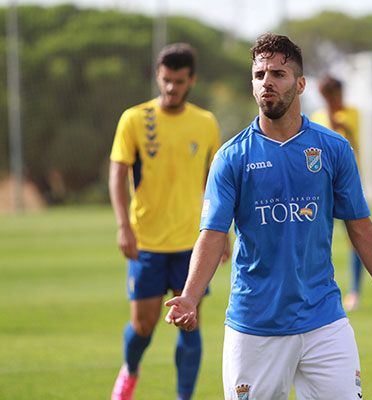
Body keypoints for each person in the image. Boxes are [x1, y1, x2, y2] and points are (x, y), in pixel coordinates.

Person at [164, 33, 372, 400]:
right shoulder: (231, 157)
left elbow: (360, 226)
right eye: (259, 75)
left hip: (324, 321)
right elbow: (211, 234)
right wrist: (190, 297)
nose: (266, 82)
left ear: (300, 84)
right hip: (255, 325)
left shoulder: (333, 149)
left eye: (278, 74)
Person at [109, 43, 228, 400]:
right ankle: (130, 371)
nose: (171, 88)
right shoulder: (134, 119)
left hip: (192, 244)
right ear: (158, 78)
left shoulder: (205, 123)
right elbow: (117, 174)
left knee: (189, 324)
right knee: (143, 326)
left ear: (191, 80)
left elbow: (215, 181)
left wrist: (223, 233)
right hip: (146, 242)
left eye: (179, 81)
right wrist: (122, 225)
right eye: (166, 80)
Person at [311, 75, 364, 311]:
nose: (334, 99)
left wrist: (335, 118)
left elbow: (349, 139)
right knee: (317, 240)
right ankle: (316, 290)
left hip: (349, 187)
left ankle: (354, 292)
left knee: (357, 239)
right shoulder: (316, 118)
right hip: (322, 188)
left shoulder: (352, 114)